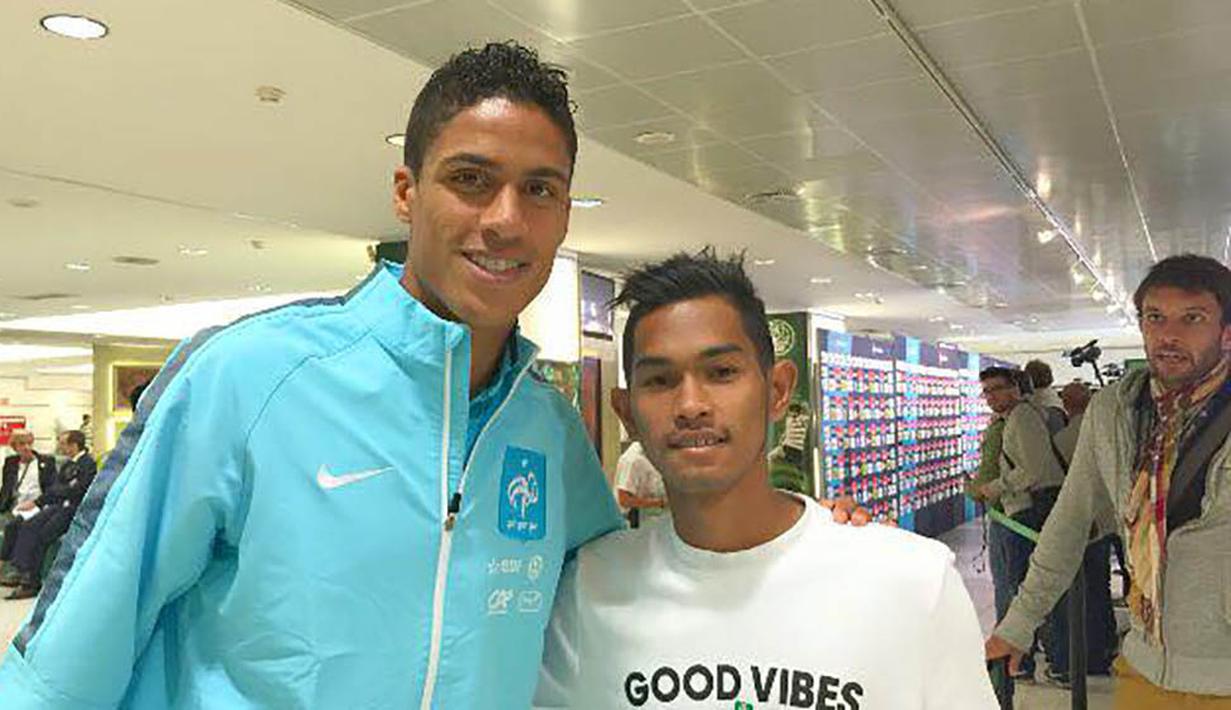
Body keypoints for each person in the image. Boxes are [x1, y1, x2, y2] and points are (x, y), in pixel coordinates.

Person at [0, 42, 624, 708]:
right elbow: (69, 658)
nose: (505, 219)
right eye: (471, 179)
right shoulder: (247, 377)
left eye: (539, 189)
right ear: (406, 193)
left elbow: (614, 616)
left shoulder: (548, 432)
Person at [534, 249, 997, 709]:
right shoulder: (587, 589)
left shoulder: (911, 580)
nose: (690, 403)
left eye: (722, 373)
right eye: (659, 380)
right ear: (625, 410)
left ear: (777, 391)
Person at [987, 254, 1231, 706]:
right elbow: (1070, 521)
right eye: (1155, 317)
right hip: (1142, 668)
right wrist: (1018, 624)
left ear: (1226, 331)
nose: (1169, 335)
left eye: (1192, 318)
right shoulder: (1115, 410)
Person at [976, 366, 1068, 681]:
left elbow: (1032, 470)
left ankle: (1024, 658)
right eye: (987, 391)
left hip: (1027, 512)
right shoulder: (1009, 419)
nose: (992, 396)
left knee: (1019, 587)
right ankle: (1030, 655)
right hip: (1020, 512)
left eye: (998, 388)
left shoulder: (1024, 418)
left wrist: (992, 488)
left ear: (1016, 387)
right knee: (1019, 585)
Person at [2, 431, 96, 600]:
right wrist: (48, 497)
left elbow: (78, 490)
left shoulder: (88, 463)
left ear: (74, 445)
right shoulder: (68, 465)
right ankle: (22, 570)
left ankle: (32, 583)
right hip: (57, 505)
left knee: (42, 536)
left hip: (73, 509)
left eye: (63, 443)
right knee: (28, 526)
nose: (60, 446)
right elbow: (56, 489)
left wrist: (63, 490)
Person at [966, 409, 1012, 624]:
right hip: (1025, 512)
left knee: (1006, 581)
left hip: (1007, 513)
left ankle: (1008, 641)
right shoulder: (1048, 415)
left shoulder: (1000, 428)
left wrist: (974, 489)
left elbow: (988, 472)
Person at [0, 431, 58, 584]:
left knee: (14, 525)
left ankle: (12, 568)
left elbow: (52, 489)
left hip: (37, 505)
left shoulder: (46, 462)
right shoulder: (11, 463)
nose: (27, 447)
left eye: (29, 443)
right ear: (14, 447)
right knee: (12, 522)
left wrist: (37, 502)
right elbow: (6, 489)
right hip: (16, 505)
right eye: (22, 444)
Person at [614, 441, 667, 527]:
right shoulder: (633, 460)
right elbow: (624, 499)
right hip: (633, 518)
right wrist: (660, 502)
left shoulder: (653, 453)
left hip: (651, 518)